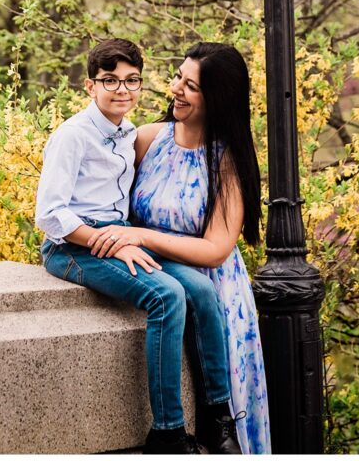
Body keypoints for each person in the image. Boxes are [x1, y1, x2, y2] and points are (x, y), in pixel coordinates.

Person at [35, 37, 241, 455]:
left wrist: (126, 238)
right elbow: (50, 214)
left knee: (200, 289)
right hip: (75, 246)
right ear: (90, 86)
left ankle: (218, 417)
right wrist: (104, 240)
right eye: (109, 81)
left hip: (120, 235)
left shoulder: (131, 134)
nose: (122, 90)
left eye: (132, 81)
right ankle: (167, 432)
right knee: (165, 296)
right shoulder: (73, 136)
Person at [92, 42, 272, 455]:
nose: (176, 89)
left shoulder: (226, 161)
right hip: (153, 274)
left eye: (190, 86)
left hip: (216, 295)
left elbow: (215, 250)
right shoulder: (146, 140)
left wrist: (141, 236)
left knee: (224, 435)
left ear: (216, 99)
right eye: (178, 77)